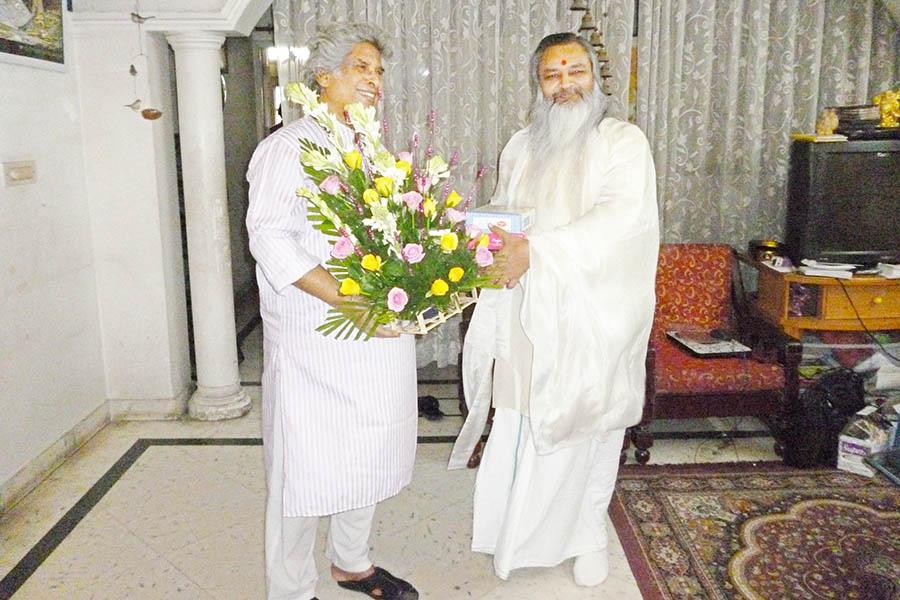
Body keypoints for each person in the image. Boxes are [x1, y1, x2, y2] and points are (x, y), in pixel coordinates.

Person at [449, 32, 659, 585]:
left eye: (575, 71)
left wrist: (536, 251)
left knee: (590, 421)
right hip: (528, 308)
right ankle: (510, 532)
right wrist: (477, 240)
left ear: (594, 76)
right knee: (521, 414)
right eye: (551, 74)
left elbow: (623, 220)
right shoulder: (520, 145)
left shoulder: (622, 141)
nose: (565, 84)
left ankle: (588, 534)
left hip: (596, 313)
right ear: (538, 85)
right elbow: (506, 212)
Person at [246, 23, 419, 600]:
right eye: (361, 67)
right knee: (305, 468)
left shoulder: (371, 148)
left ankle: (352, 562)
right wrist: (345, 299)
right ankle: (291, 590)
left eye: (378, 70)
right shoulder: (286, 147)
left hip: (376, 335)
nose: (374, 80)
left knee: (366, 448)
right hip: (316, 334)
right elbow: (269, 237)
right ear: (324, 77)